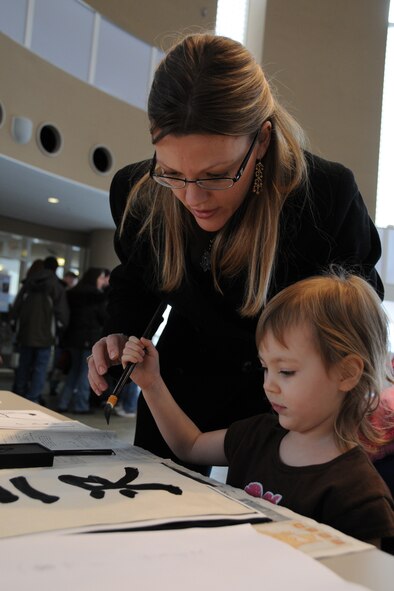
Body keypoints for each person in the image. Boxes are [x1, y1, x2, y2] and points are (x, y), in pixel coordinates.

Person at [88, 33, 383, 474]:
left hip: (286, 404)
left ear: (261, 141)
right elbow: (136, 279)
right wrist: (118, 334)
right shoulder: (139, 193)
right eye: (171, 172)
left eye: (217, 174)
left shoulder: (325, 197)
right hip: (178, 391)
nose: (192, 198)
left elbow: (358, 316)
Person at [121, 270, 394, 547]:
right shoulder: (257, 435)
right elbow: (188, 445)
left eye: (286, 371)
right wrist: (152, 384)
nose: (269, 386)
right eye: (266, 368)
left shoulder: (359, 495)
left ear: (346, 373)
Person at [11, 258, 69, 404]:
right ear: (56, 269)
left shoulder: (28, 283)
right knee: (40, 369)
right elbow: (62, 313)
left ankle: (19, 394)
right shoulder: (56, 286)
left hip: (25, 334)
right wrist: (61, 329)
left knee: (23, 366)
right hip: (46, 336)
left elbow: (16, 307)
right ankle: (33, 399)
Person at [57, 268, 108, 413]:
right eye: (100, 278)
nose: (102, 281)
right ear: (95, 279)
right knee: (86, 372)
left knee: (74, 371)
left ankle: (63, 403)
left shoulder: (72, 293)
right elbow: (103, 317)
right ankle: (81, 406)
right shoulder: (96, 296)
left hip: (72, 338)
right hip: (88, 338)